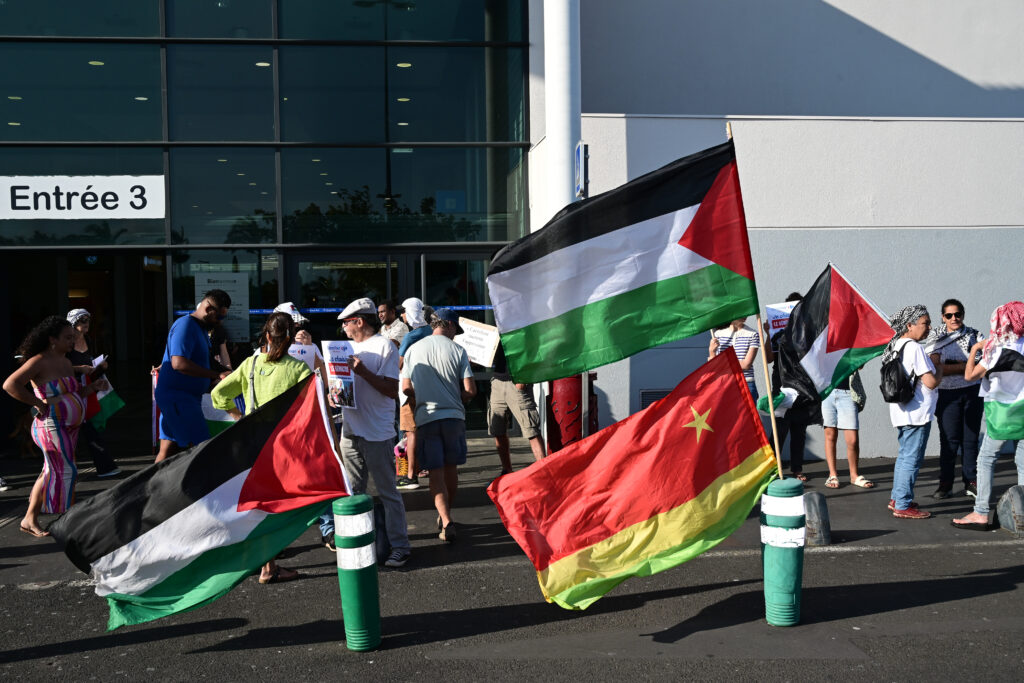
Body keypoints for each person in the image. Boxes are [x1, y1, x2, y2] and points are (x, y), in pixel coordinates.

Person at [211, 312, 309, 583]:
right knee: (276, 506)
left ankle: (261, 560)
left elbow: (219, 395)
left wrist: (238, 417)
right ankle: (268, 566)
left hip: (252, 442)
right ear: (289, 339)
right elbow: (307, 411)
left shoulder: (250, 365)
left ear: (266, 336)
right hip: (282, 446)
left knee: (258, 504)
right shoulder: (299, 369)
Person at [3, 316, 108, 537]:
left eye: (73, 337)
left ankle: (29, 519)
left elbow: (72, 394)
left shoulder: (67, 362)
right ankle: (68, 519)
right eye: (68, 337)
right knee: (67, 469)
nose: (73, 341)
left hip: (69, 426)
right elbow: (10, 384)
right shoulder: (39, 361)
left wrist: (93, 388)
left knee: (49, 470)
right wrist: (36, 403)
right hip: (50, 425)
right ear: (52, 339)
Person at [326, 297, 412, 568]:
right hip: (351, 429)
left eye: (346, 324)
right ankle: (357, 546)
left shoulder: (384, 345)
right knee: (352, 492)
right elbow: (341, 384)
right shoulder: (348, 347)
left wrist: (362, 371)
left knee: (388, 493)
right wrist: (333, 396)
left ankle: (400, 546)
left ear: (359, 321)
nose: (344, 329)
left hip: (377, 432)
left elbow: (391, 390)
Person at [401, 308, 477, 543]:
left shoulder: (414, 349)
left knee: (435, 473)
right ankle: (447, 514)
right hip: (454, 417)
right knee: (451, 469)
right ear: (451, 326)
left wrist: (421, 396)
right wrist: (455, 397)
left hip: (426, 418)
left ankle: (445, 520)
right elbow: (471, 391)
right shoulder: (458, 350)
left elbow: (405, 388)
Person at [952, 301, 1024, 531]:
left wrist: (975, 349)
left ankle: (981, 512)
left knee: (986, 460)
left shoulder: (995, 349)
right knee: (1023, 463)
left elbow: (970, 375)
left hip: (1000, 413)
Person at [154, 290, 232, 463]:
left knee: (167, 451)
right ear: (208, 308)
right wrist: (216, 374)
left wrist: (228, 372)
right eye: (219, 317)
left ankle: (148, 489)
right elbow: (179, 363)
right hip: (179, 398)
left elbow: (204, 360)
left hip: (181, 398)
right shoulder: (186, 325)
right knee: (201, 449)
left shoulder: (200, 329)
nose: (219, 322)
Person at [884, 305, 942, 519]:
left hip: (901, 411)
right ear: (909, 325)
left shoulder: (895, 345)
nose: (928, 327)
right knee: (912, 458)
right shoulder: (915, 348)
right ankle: (903, 505)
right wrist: (938, 365)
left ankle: (897, 498)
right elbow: (930, 382)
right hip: (917, 413)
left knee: (904, 457)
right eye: (925, 323)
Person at [924, 298, 984, 499]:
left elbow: (980, 365)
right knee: (949, 440)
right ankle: (945, 484)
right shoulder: (936, 335)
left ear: (963, 315)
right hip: (947, 395)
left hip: (972, 393)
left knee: (970, 439)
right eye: (949, 315)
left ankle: (971, 481)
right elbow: (933, 366)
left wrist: (949, 365)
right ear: (943, 317)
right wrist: (964, 364)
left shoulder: (975, 335)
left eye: (957, 314)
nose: (954, 318)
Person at [762, 293, 818, 482]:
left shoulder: (808, 331)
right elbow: (768, 359)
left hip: (802, 384)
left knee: (799, 429)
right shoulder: (777, 333)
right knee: (779, 428)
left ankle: (797, 469)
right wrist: (767, 334)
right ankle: (772, 469)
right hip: (781, 384)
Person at [66, 308, 121, 478]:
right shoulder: (66, 343)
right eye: (82, 320)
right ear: (73, 323)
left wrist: (99, 366)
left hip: (87, 388)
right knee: (75, 429)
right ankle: (102, 466)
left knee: (91, 425)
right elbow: (58, 366)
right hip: (71, 389)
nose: (86, 323)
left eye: (88, 320)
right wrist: (79, 368)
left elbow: (89, 362)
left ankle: (104, 466)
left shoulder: (89, 340)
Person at [395, 297, 434, 490]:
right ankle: (422, 468)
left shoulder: (411, 336)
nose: (402, 315)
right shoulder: (431, 331)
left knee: (410, 432)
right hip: (429, 387)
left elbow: (399, 364)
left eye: (403, 311)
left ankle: (410, 475)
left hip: (410, 390)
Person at [489, 341, 545, 473]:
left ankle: (545, 472)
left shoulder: (521, 324)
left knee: (531, 430)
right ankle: (506, 471)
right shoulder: (497, 328)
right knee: (498, 430)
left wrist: (524, 378)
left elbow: (535, 350)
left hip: (517, 382)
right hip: (497, 381)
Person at [821, 370, 873, 489]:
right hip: (827, 392)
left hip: (848, 392)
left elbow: (860, 363)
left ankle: (854, 476)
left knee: (853, 440)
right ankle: (832, 474)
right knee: (830, 435)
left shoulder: (849, 350)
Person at [709, 317, 760, 399]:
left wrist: (721, 364)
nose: (745, 316)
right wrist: (712, 351)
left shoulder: (753, 334)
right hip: (724, 383)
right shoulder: (718, 334)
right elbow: (713, 366)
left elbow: (746, 365)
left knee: (748, 412)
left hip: (746, 382)